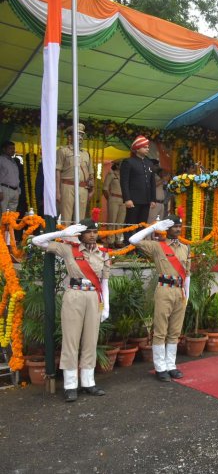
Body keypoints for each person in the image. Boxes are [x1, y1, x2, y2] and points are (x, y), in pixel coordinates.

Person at [31, 219, 110, 402]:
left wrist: (106, 306)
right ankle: (70, 385)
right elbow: (37, 241)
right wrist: (63, 233)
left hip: (93, 297)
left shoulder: (103, 254)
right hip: (74, 295)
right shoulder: (68, 249)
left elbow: (104, 282)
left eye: (94, 231)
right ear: (80, 234)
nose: (92, 235)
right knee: (71, 341)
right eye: (88, 231)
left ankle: (88, 382)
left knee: (91, 340)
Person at [129, 215, 191, 382]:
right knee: (160, 330)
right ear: (167, 228)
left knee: (175, 331)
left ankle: (171, 365)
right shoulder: (157, 247)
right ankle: (160, 367)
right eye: (174, 226)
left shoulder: (185, 248)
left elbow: (187, 273)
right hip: (164, 289)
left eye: (179, 226)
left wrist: (187, 293)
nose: (178, 229)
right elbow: (132, 239)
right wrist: (154, 227)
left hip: (180, 291)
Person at [56, 123, 94, 222]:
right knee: (66, 216)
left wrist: (92, 189)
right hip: (68, 186)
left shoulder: (86, 153)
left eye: (82, 135)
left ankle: (78, 237)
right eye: (78, 134)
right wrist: (57, 191)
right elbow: (57, 171)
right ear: (70, 136)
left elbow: (91, 173)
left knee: (81, 218)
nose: (80, 137)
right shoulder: (63, 151)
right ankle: (65, 237)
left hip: (83, 187)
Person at [119, 136, 156, 238]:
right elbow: (124, 182)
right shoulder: (128, 162)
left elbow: (152, 182)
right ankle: (128, 247)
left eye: (148, 147)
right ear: (137, 149)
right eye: (145, 147)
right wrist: (127, 199)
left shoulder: (149, 163)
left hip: (146, 200)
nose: (147, 149)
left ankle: (140, 248)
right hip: (133, 200)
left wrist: (153, 199)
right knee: (130, 225)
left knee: (142, 225)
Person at [102, 161, 126, 247]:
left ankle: (118, 241)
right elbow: (105, 188)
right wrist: (109, 199)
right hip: (114, 198)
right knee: (112, 220)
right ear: (116, 165)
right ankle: (110, 241)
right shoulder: (111, 174)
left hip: (123, 200)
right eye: (121, 164)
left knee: (120, 222)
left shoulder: (124, 176)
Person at [0, 141, 22, 213]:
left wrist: (18, 190)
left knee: (12, 215)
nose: (13, 150)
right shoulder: (1, 160)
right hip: (5, 189)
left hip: (15, 190)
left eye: (14, 148)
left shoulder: (13, 161)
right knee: (3, 214)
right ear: (4, 149)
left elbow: (16, 176)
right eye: (10, 148)